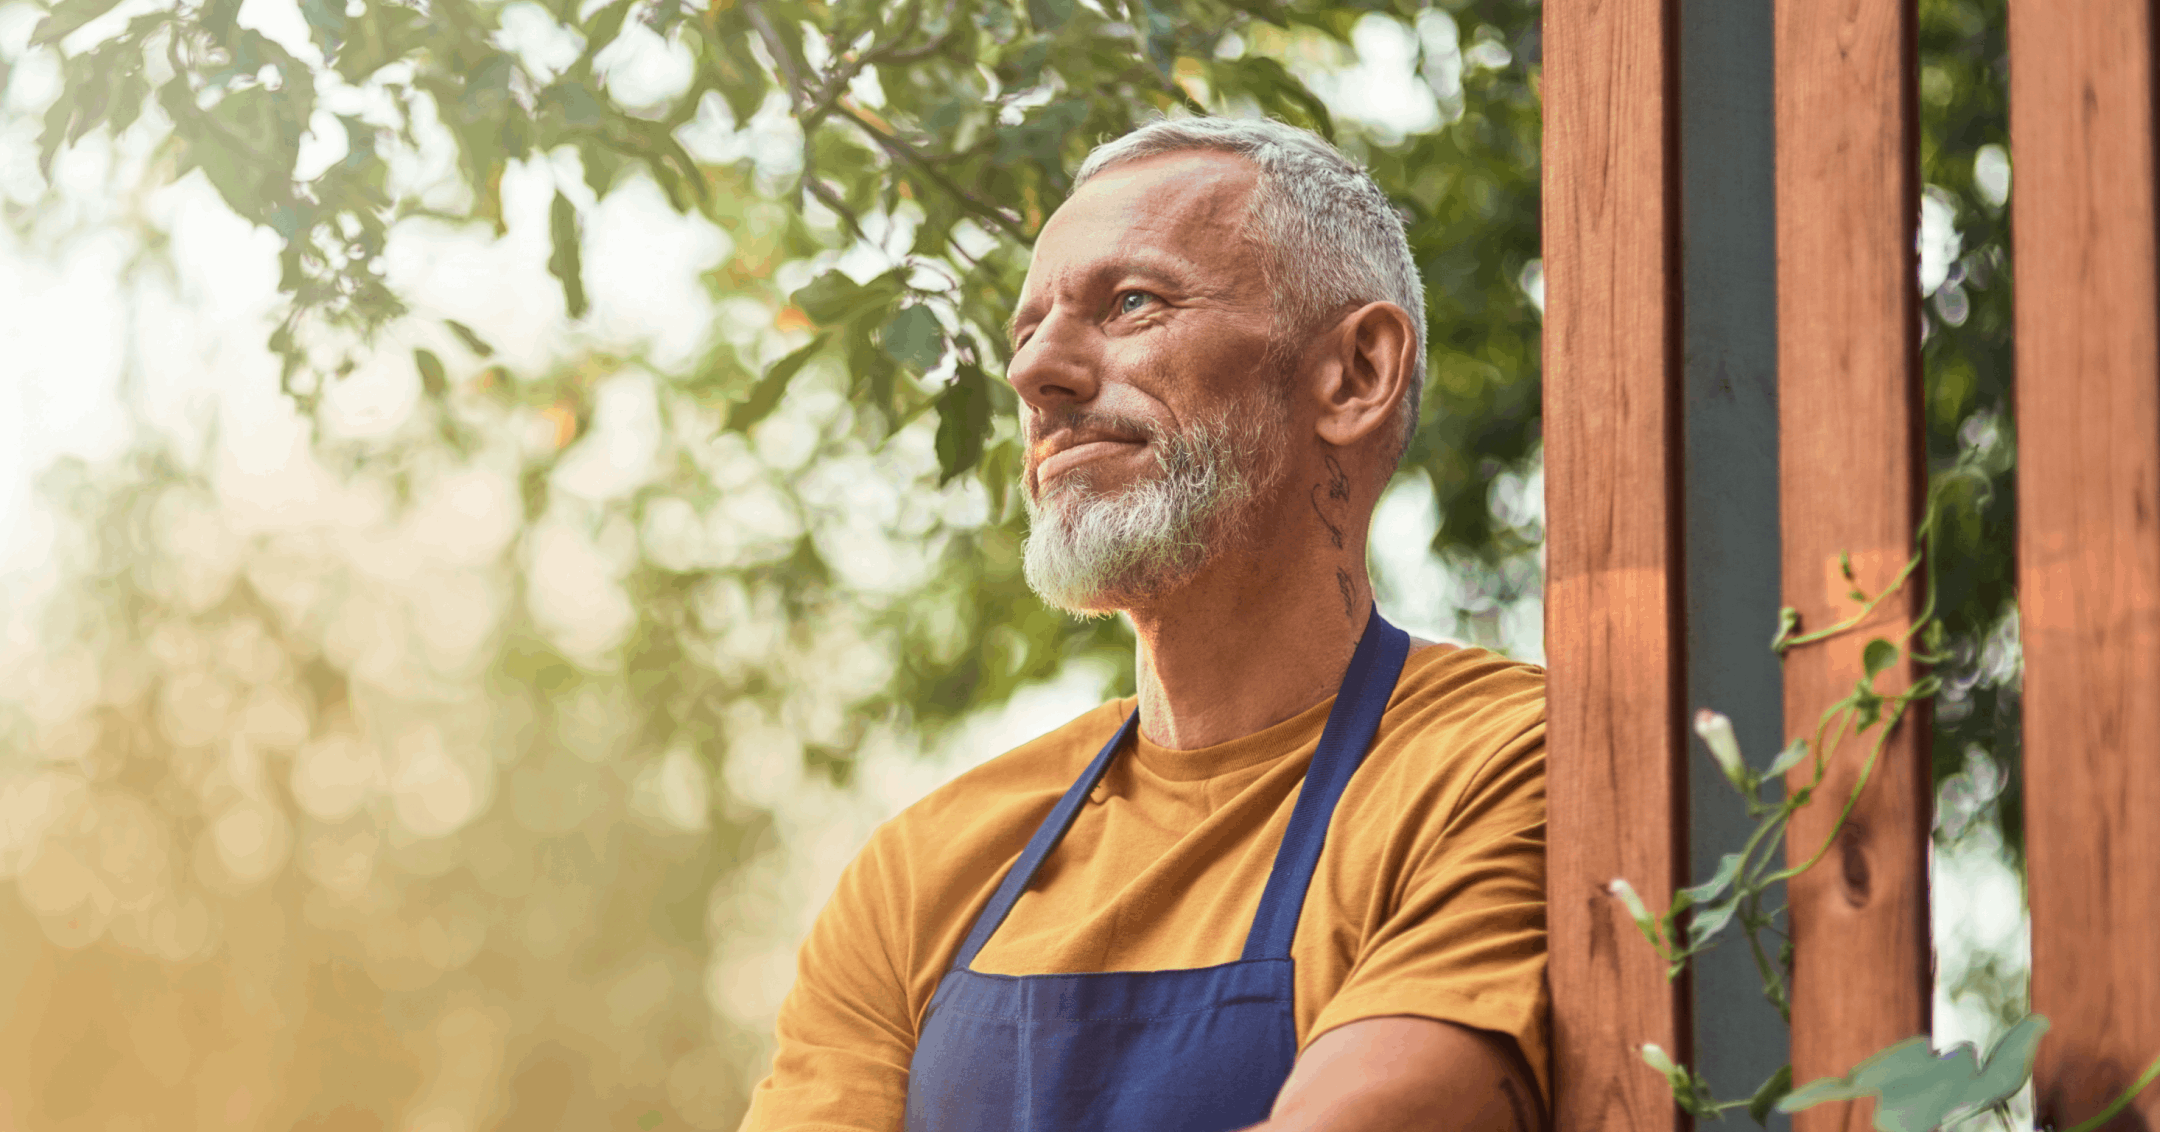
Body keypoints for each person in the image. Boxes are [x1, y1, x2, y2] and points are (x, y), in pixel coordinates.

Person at [739, 116, 1547, 1132]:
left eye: (1130, 303)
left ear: (1354, 374)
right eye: (1025, 332)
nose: (1037, 374)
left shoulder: (1507, 766)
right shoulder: (923, 870)